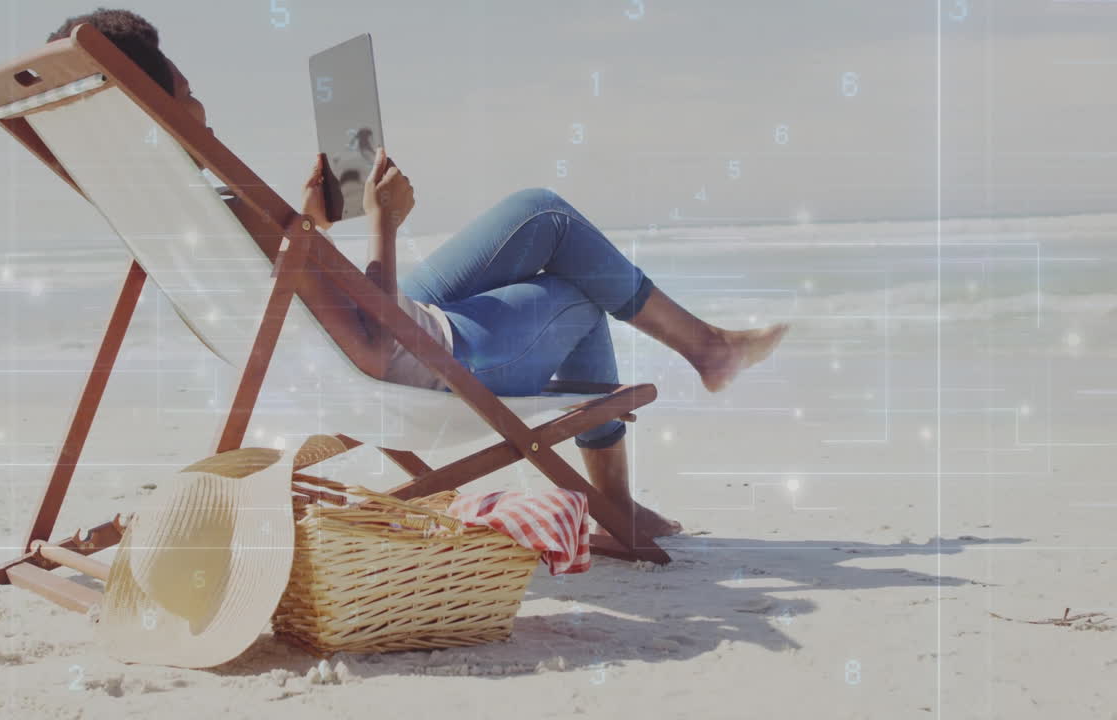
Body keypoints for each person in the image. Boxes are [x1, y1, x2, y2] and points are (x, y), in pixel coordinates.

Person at [48, 9, 789, 540]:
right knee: (576, 295)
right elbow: (378, 352)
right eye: (182, 81)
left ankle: (704, 350)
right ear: (160, 97)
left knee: (541, 214)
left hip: (362, 327)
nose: (196, 94)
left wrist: (315, 224)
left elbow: (314, 305)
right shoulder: (230, 210)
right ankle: (630, 480)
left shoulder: (174, 217)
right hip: (415, 354)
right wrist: (383, 224)